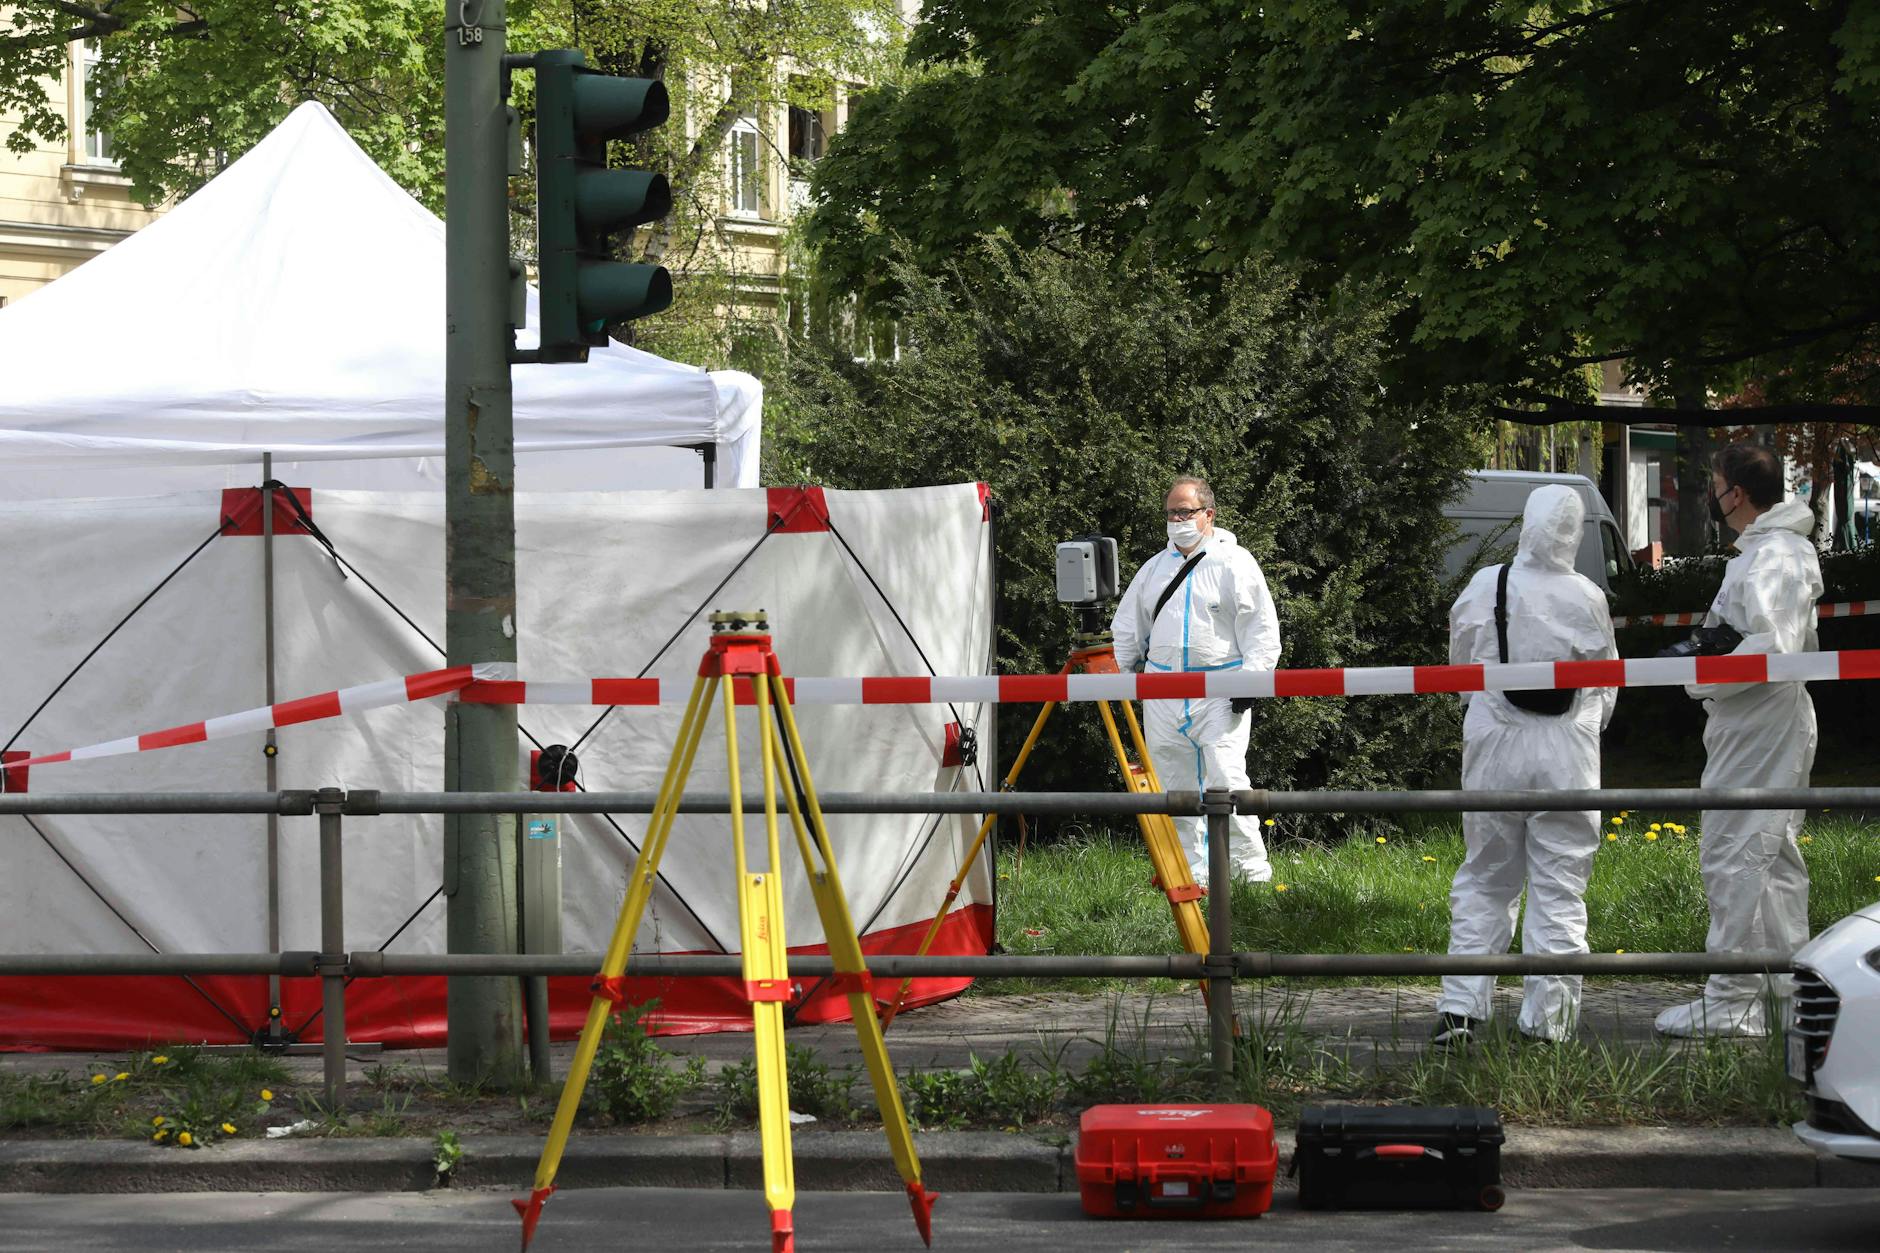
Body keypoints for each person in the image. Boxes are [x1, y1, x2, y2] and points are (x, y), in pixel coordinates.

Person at [1432, 485, 1619, 1046]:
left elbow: (1461, 665)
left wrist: (1490, 715)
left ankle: (1461, 1011)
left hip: (1495, 746)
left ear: (1526, 525)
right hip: (1567, 755)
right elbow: (1607, 684)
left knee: (1486, 878)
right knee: (1560, 886)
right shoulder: (1587, 596)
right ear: (1576, 533)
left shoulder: (1487, 584)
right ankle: (1550, 1021)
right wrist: (1582, 727)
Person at [1656, 444, 1822, 1038]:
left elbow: (1771, 649)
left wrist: (1702, 673)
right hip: (1759, 722)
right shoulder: (1768, 552)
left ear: (1738, 493)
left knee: (1735, 855)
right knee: (1770, 860)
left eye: (1717, 483)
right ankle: (1784, 996)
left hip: (1760, 724)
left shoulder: (1773, 555)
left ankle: (1732, 1000)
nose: (1713, 495)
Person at [1110, 476, 1281, 884]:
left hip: (1220, 691)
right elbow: (1127, 629)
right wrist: (1120, 680)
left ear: (1209, 515)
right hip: (1163, 691)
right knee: (1174, 786)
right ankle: (1190, 875)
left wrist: (1251, 684)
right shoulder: (1154, 568)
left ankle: (1250, 874)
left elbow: (1261, 630)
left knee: (1228, 780)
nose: (1178, 519)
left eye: (1186, 512)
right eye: (1172, 512)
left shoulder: (1235, 563)